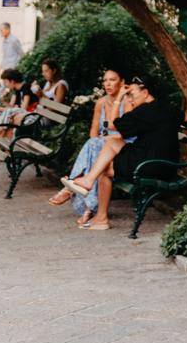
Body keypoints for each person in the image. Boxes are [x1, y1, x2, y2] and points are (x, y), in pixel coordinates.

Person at [61, 72, 179, 230]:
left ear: (145, 93)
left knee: (106, 170)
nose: (129, 99)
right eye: (128, 96)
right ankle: (89, 180)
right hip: (163, 161)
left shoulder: (143, 112)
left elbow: (111, 125)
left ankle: (101, 218)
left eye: (132, 95)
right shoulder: (166, 107)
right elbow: (183, 116)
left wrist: (119, 98)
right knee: (113, 141)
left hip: (152, 165)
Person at [49, 68, 129, 223]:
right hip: (101, 146)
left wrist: (102, 140)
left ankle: (71, 188)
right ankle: (89, 209)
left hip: (121, 147)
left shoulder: (127, 102)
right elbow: (93, 131)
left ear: (122, 82)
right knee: (95, 146)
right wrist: (99, 142)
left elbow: (127, 133)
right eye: (105, 80)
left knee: (96, 145)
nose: (107, 84)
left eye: (112, 80)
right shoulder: (100, 103)